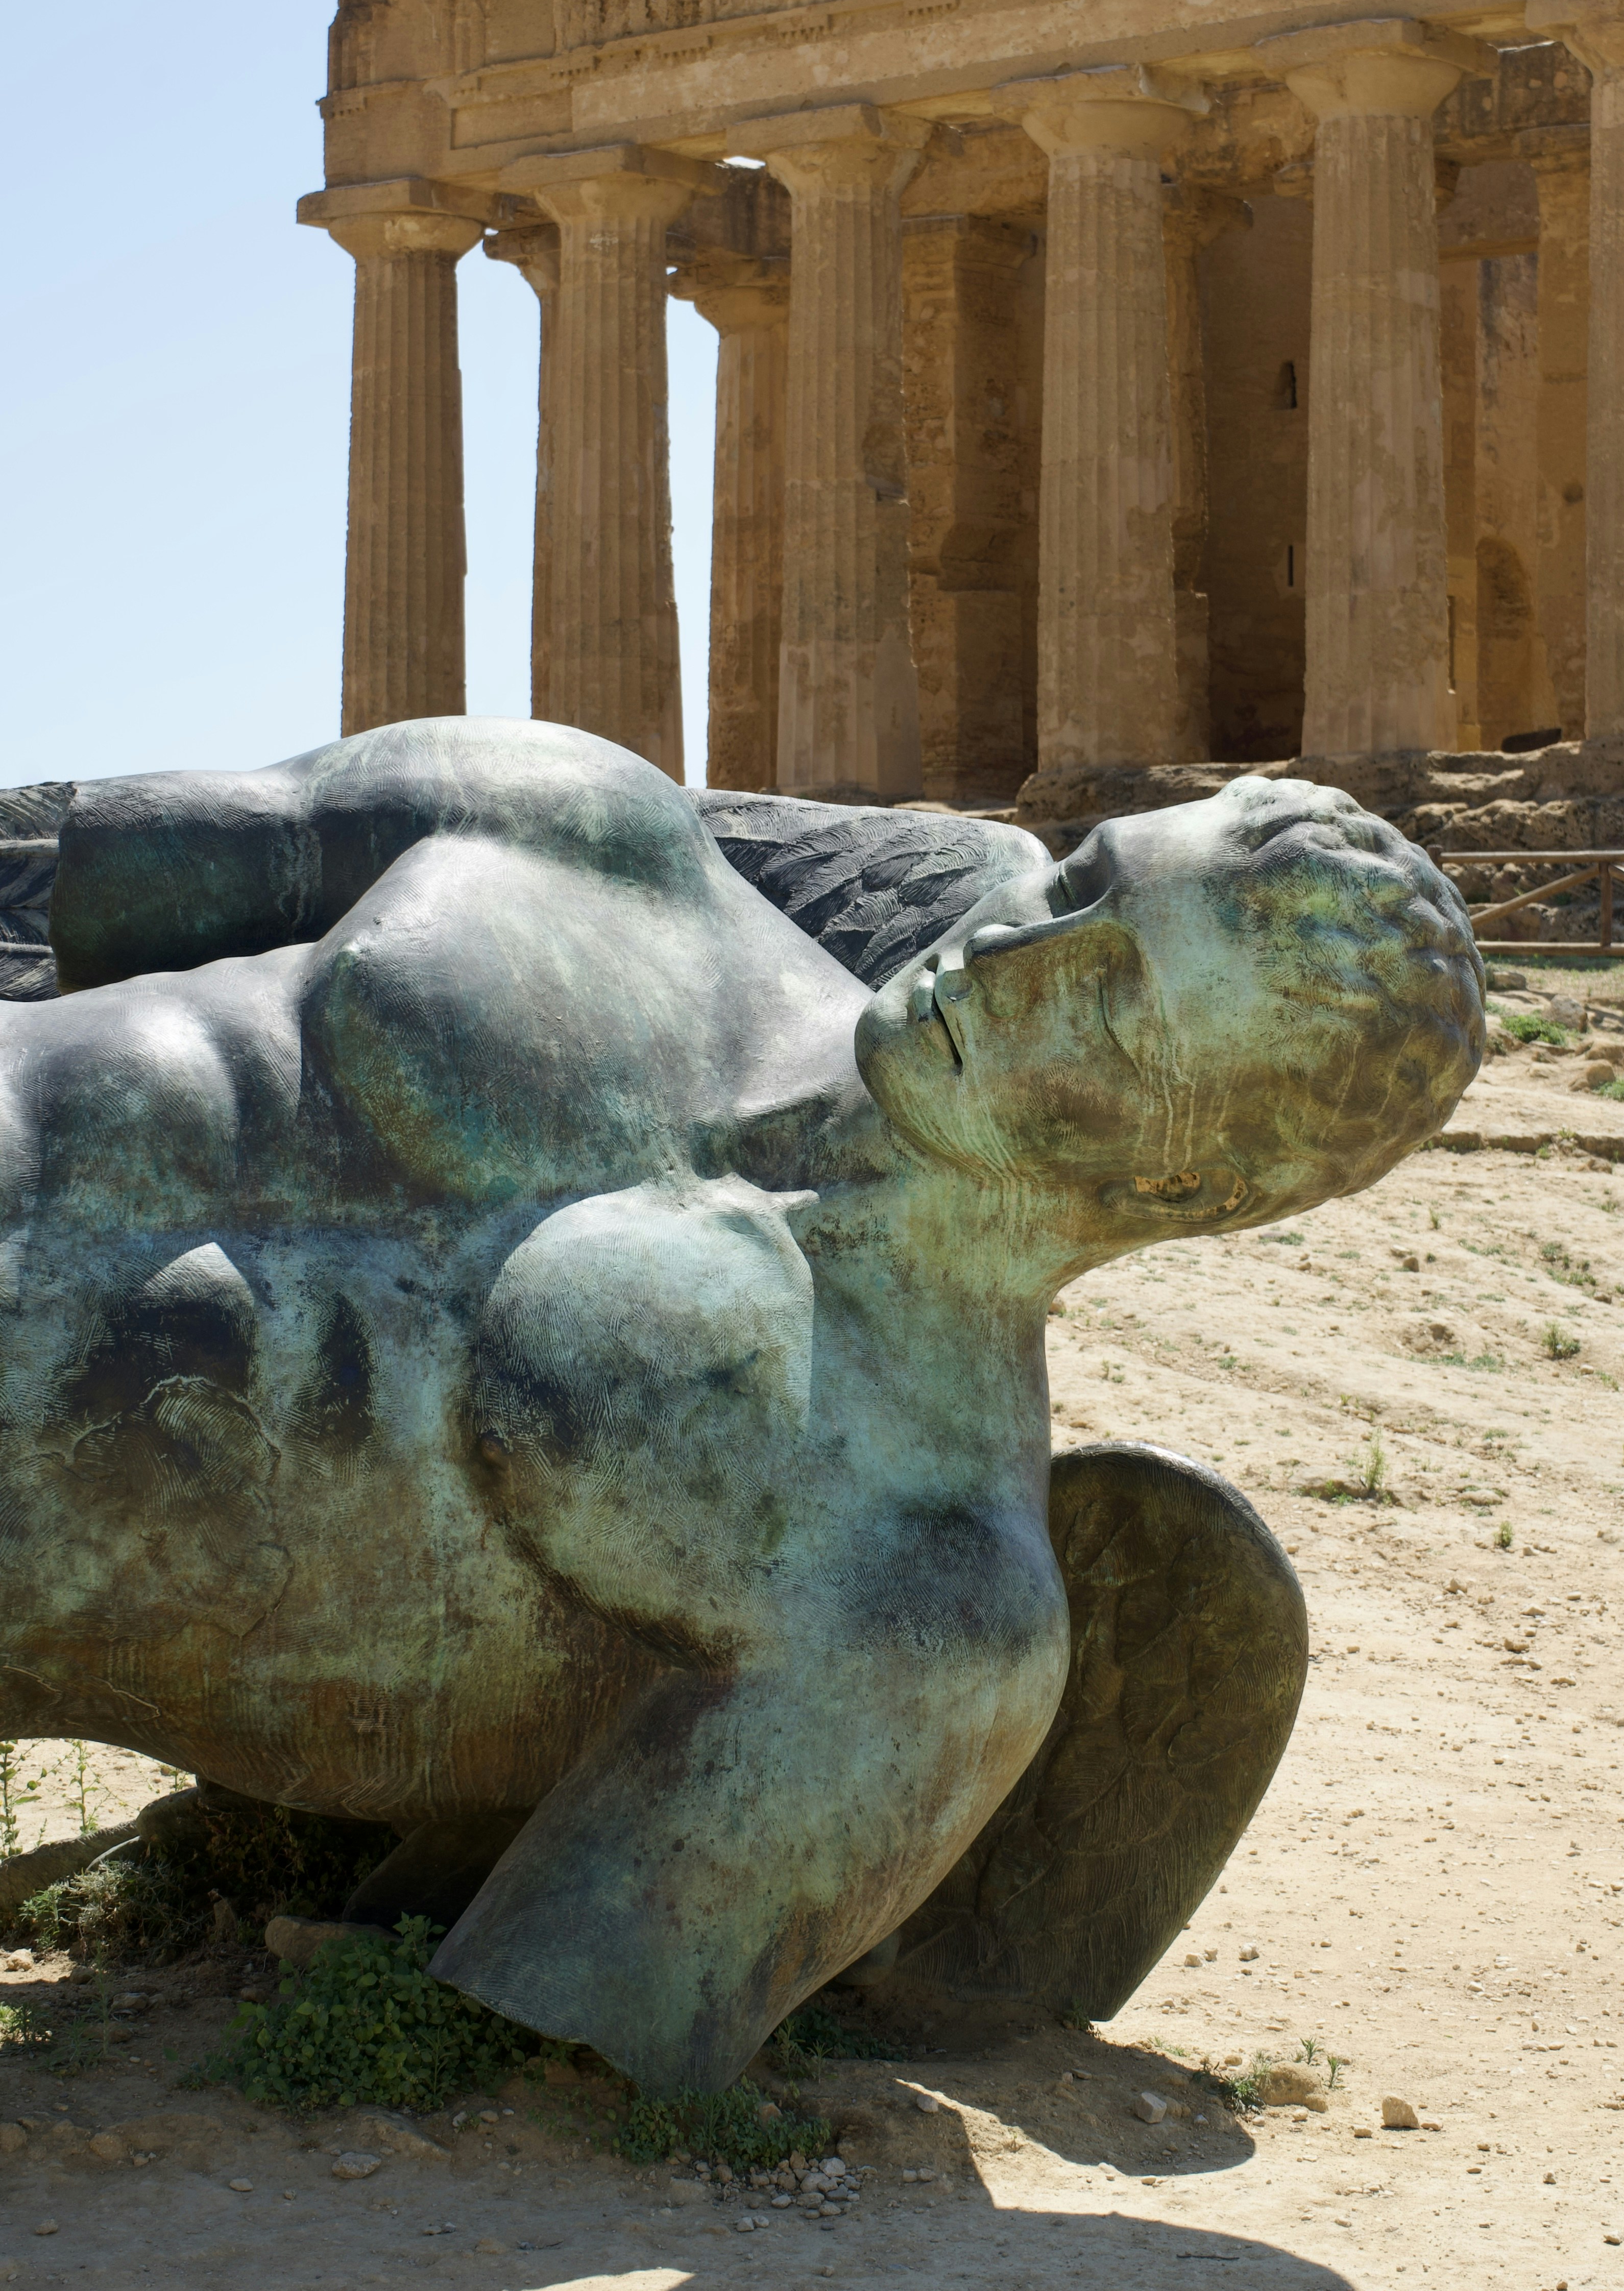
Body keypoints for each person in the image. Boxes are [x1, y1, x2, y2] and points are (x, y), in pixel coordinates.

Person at [0, 718, 1481, 2093]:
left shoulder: (919, 1605)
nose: (1019, 957)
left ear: (1191, 1185)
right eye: (1084, 881)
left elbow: (554, 2031)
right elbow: (68, 883)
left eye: (1108, 1002)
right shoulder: (590, 826)